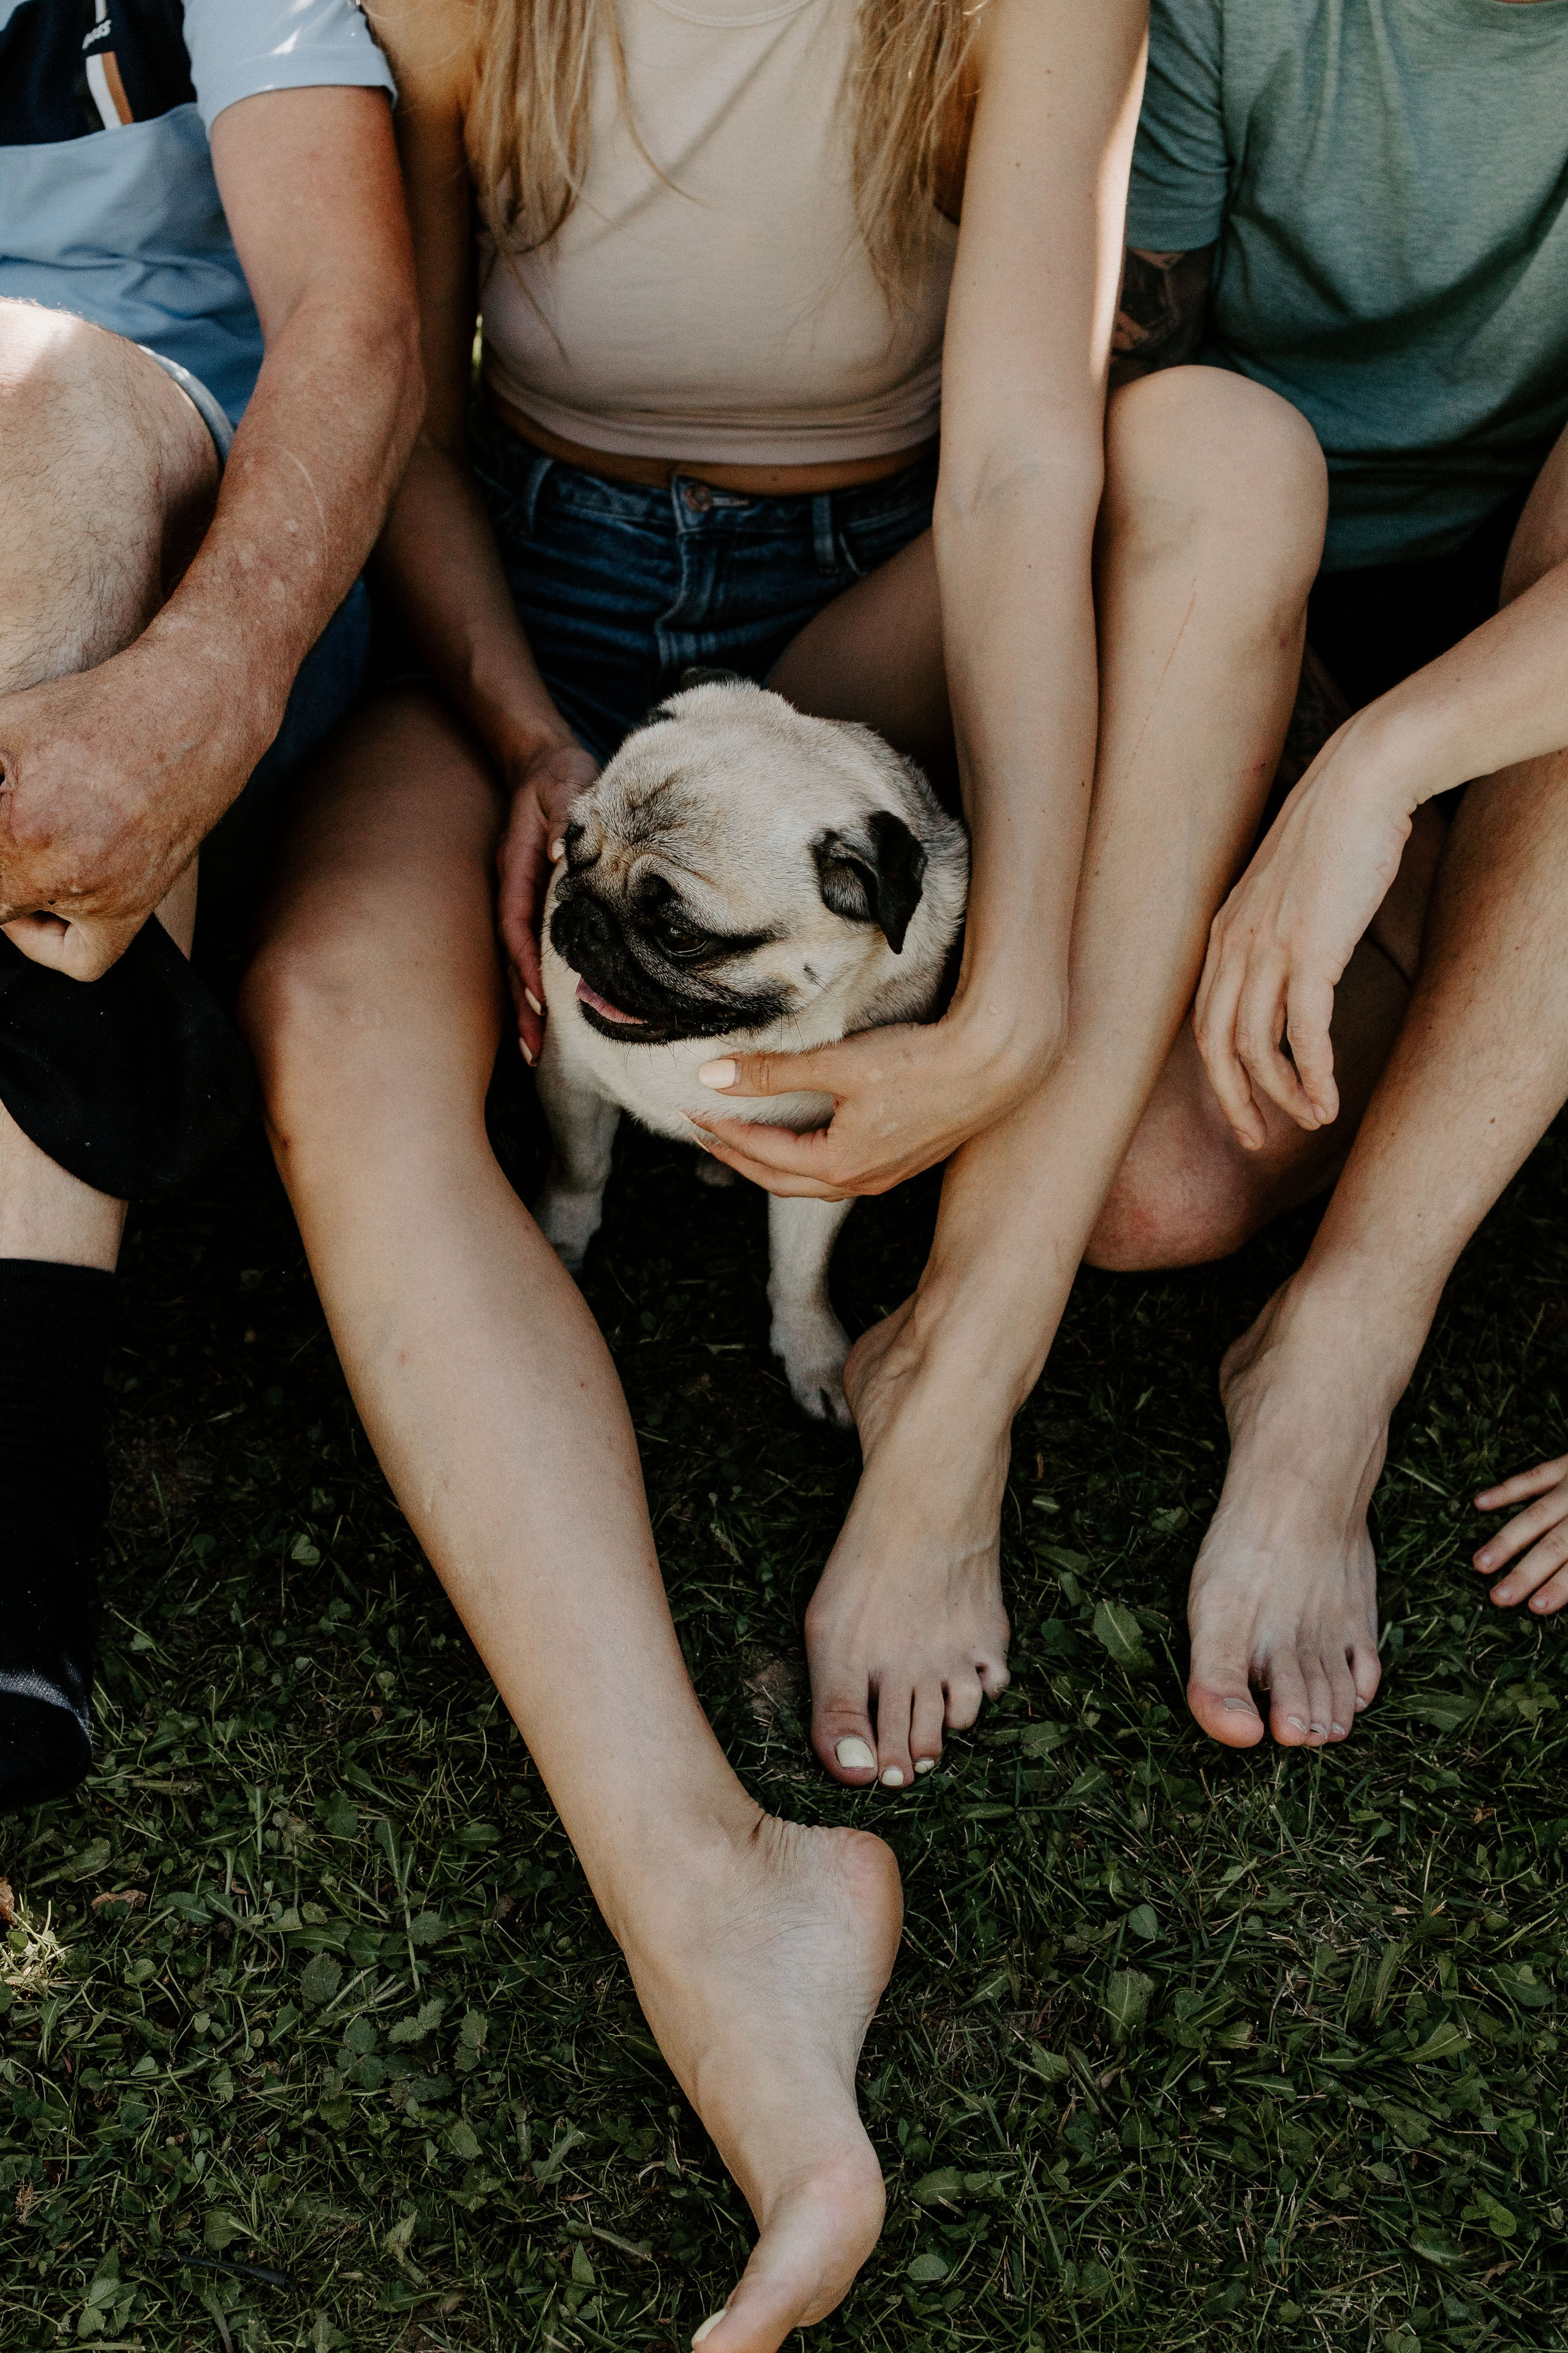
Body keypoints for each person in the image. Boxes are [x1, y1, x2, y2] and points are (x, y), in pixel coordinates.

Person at [237, 0, 1333, 2340]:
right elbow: (391, 375)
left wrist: (1011, 994)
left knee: (1218, 459)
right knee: (338, 1014)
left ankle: (952, 1411)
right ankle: (713, 1880)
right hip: (520, 589)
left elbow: (1029, 466)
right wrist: (530, 728)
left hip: (884, 580)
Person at [1074, 0, 1568, 1752]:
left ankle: (1340, 1350)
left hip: (1525, 641)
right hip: (1247, 587)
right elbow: (1127, 365)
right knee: (1153, 1193)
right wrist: (1290, 734)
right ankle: (1498, 965)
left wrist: (1379, 770)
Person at [0, 0, 421, 1812]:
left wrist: (218, 677)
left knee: (53, 402)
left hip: (181, 532)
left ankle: (7, 1536)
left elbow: (359, 318)